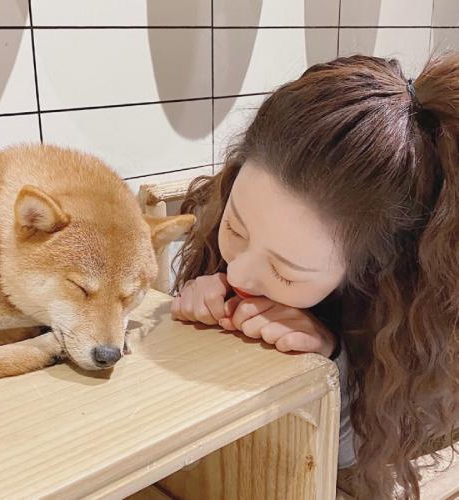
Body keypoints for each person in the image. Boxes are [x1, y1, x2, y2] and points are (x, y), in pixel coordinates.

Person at [169, 53, 459, 499]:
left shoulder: (422, 324)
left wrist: (331, 364)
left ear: (372, 272)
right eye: (236, 228)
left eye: (285, 271)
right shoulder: (246, 211)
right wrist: (199, 301)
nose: (239, 270)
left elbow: (361, 458)